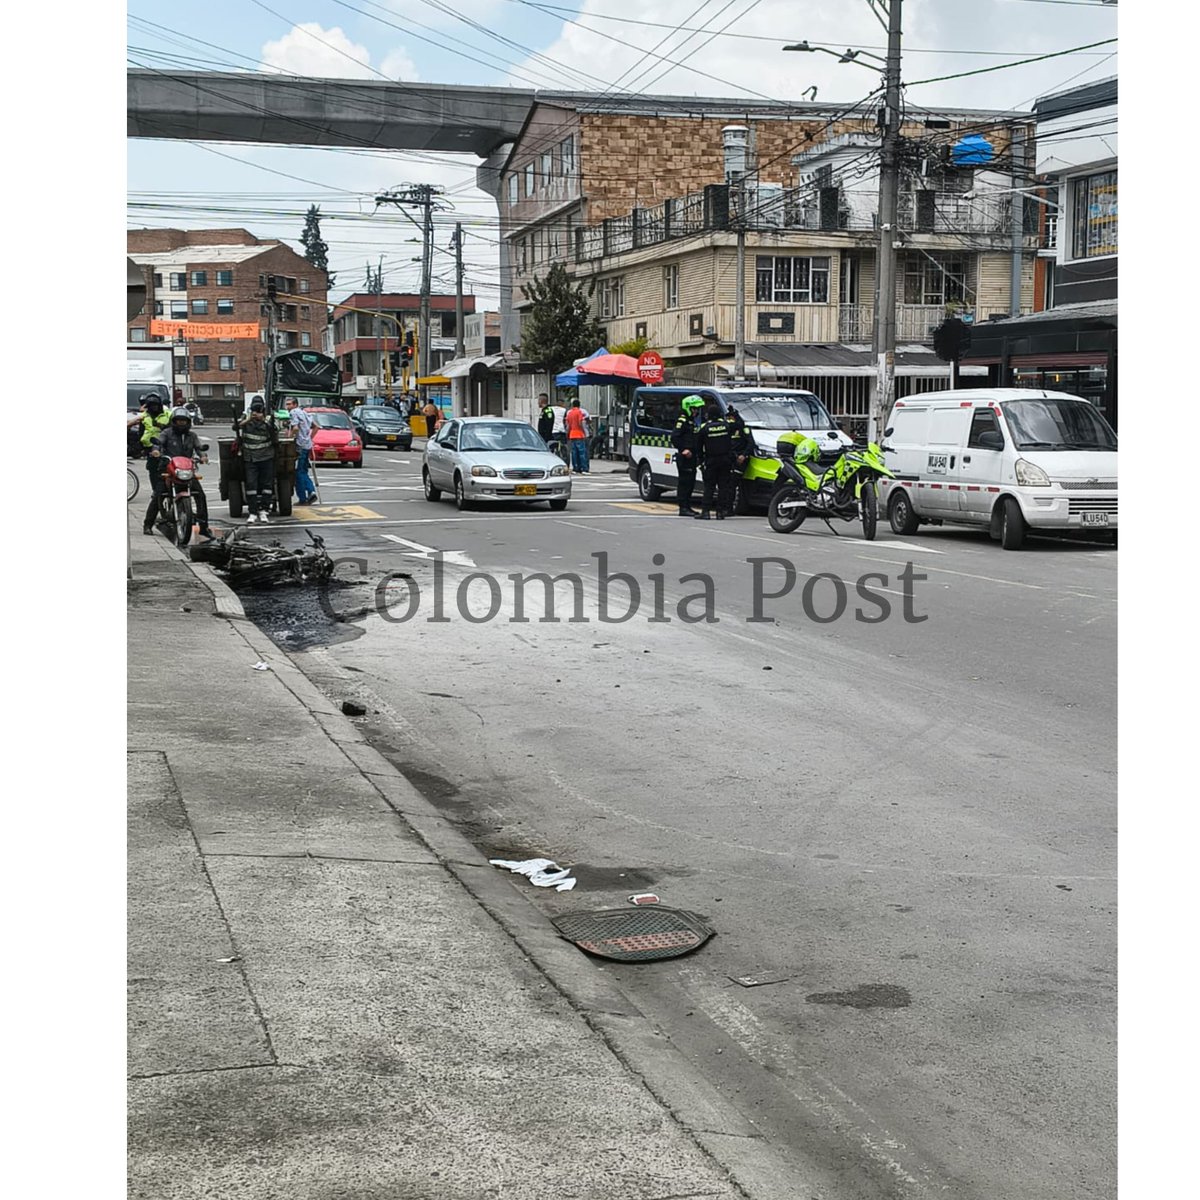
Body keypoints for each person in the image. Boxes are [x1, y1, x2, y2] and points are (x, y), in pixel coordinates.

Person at [145, 407, 214, 539]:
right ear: (173, 421)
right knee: (158, 494)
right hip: (168, 469)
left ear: (188, 422)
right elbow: (158, 443)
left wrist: (203, 456)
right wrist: (156, 451)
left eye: (184, 421)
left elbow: (199, 448)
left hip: (186, 470)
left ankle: (204, 528)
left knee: (200, 495)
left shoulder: (192, 436)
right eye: (178, 421)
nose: (181, 423)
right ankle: (147, 525)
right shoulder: (167, 433)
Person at [238, 398, 279, 523]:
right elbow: (236, 426)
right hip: (250, 458)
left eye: (259, 410)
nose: (256, 412)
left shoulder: (268, 419)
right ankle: (252, 511)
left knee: (266, 485)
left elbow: (275, 431)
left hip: (266, 457)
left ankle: (264, 510)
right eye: (254, 410)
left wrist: (265, 420)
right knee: (251, 485)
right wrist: (249, 419)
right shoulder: (246, 417)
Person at [695, 401, 735, 520]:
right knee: (723, 487)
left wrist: (701, 461)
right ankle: (720, 512)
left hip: (711, 460)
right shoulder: (727, 426)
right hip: (725, 460)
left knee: (709, 487)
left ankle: (706, 512)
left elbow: (698, 447)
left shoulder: (705, 428)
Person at [671, 395, 705, 516]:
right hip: (685, 457)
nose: (696, 411)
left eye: (697, 409)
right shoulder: (683, 420)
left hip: (692, 457)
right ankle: (683, 507)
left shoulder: (691, 421)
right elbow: (674, 437)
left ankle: (687, 506)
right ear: (688, 407)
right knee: (684, 482)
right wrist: (683, 449)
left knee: (690, 482)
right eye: (694, 408)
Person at [284, 397, 317, 505]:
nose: (287, 407)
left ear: (295, 405)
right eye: (287, 404)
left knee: (299, 472)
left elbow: (296, 428)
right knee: (303, 470)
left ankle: (307, 494)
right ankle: (308, 494)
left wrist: (289, 437)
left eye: (289, 404)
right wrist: (309, 438)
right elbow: (316, 427)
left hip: (299, 446)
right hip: (307, 445)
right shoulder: (305, 413)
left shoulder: (294, 412)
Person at [721, 404, 752, 516]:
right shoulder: (727, 429)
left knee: (732, 484)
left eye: (731, 418)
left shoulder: (744, 429)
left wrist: (743, 455)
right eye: (728, 418)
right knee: (726, 484)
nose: (729, 421)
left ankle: (729, 509)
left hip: (740, 459)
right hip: (729, 458)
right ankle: (725, 507)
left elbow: (750, 444)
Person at [128, 394, 170, 459]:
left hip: (163, 444)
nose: (153, 407)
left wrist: (161, 425)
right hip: (147, 445)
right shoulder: (145, 415)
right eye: (151, 406)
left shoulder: (167, 414)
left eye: (155, 405)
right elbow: (141, 429)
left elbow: (172, 428)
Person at [564, 398, 590, 473]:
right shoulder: (579, 412)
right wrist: (584, 432)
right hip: (579, 434)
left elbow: (568, 425)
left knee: (574, 453)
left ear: (572, 405)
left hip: (572, 435)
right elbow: (580, 423)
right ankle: (584, 468)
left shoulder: (569, 413)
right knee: (582, 452)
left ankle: (575, 468)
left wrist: (567, 433)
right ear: (579, 405)